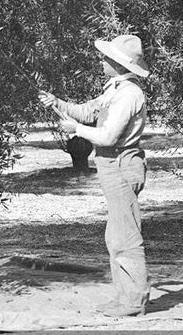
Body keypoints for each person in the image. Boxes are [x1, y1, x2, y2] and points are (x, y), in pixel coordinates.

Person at [38, 34, 151, 318]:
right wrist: (58, 103)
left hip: (122, 165)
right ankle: (126, 297)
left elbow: (108, 135)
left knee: (125, 235)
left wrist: (76, 129)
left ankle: (134, 301)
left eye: (106, 57)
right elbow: (89, 111)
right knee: (115, 235)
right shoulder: (115, 88)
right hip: (111, 165)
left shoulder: (129, 94)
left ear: (118, 63)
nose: (101, 60)